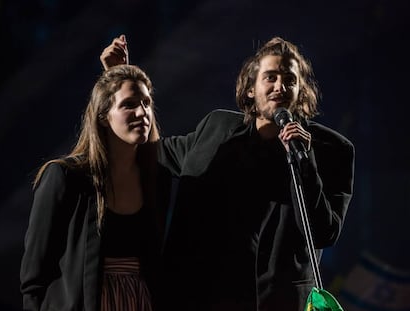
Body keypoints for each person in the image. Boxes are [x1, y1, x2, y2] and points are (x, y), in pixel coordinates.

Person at [100, 35, 355, 311]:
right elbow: (152, 152)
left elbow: (324, 232)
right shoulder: (217, 129)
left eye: (290, 80)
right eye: (270, 77)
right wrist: (117, 80)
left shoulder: (331, 149)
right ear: (250, 89)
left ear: (300, 91)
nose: (280, 86)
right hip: (201, 296)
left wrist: (305, 162)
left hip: (277, 302)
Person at [20, 64, 170, 311]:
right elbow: (34, 275)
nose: (142, 112)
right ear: (103, 116)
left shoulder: (157, 179)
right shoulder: (65, 177)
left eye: (146, 103)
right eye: (129, 104)